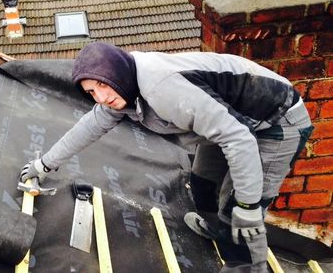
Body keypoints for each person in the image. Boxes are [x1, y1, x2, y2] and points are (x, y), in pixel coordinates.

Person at [19, 42, 313, 272]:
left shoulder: (161, 88)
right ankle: (216, 228)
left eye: (102, 86)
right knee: (201, 183)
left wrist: (249, 204)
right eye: (92, 92)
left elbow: (238, 138)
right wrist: (44, 164)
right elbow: (87, 128)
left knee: (240, 209)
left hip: (275, 121)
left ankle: (248, 266)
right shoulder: (120, 89)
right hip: (229, 122)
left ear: (115, 73)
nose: (101, 97)